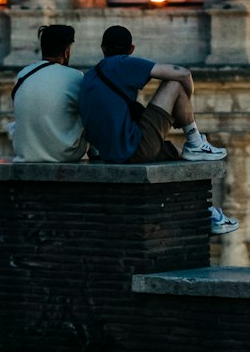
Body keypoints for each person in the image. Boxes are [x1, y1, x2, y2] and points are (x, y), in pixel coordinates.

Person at [78, 25, 238, 235]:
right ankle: (196, 140)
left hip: (111, 152)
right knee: (174, 86)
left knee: (178, 157)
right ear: (131, 49)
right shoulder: (120, 64)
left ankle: (208, 211)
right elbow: (182, 73)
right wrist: (185, 104)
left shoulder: (89, 76)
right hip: (132, 148)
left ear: (102, 48)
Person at [11, 23, 87, 164]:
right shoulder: (75, 77)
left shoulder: (23, 74)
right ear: (66, 51)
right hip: (65, 155)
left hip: (25, 154)